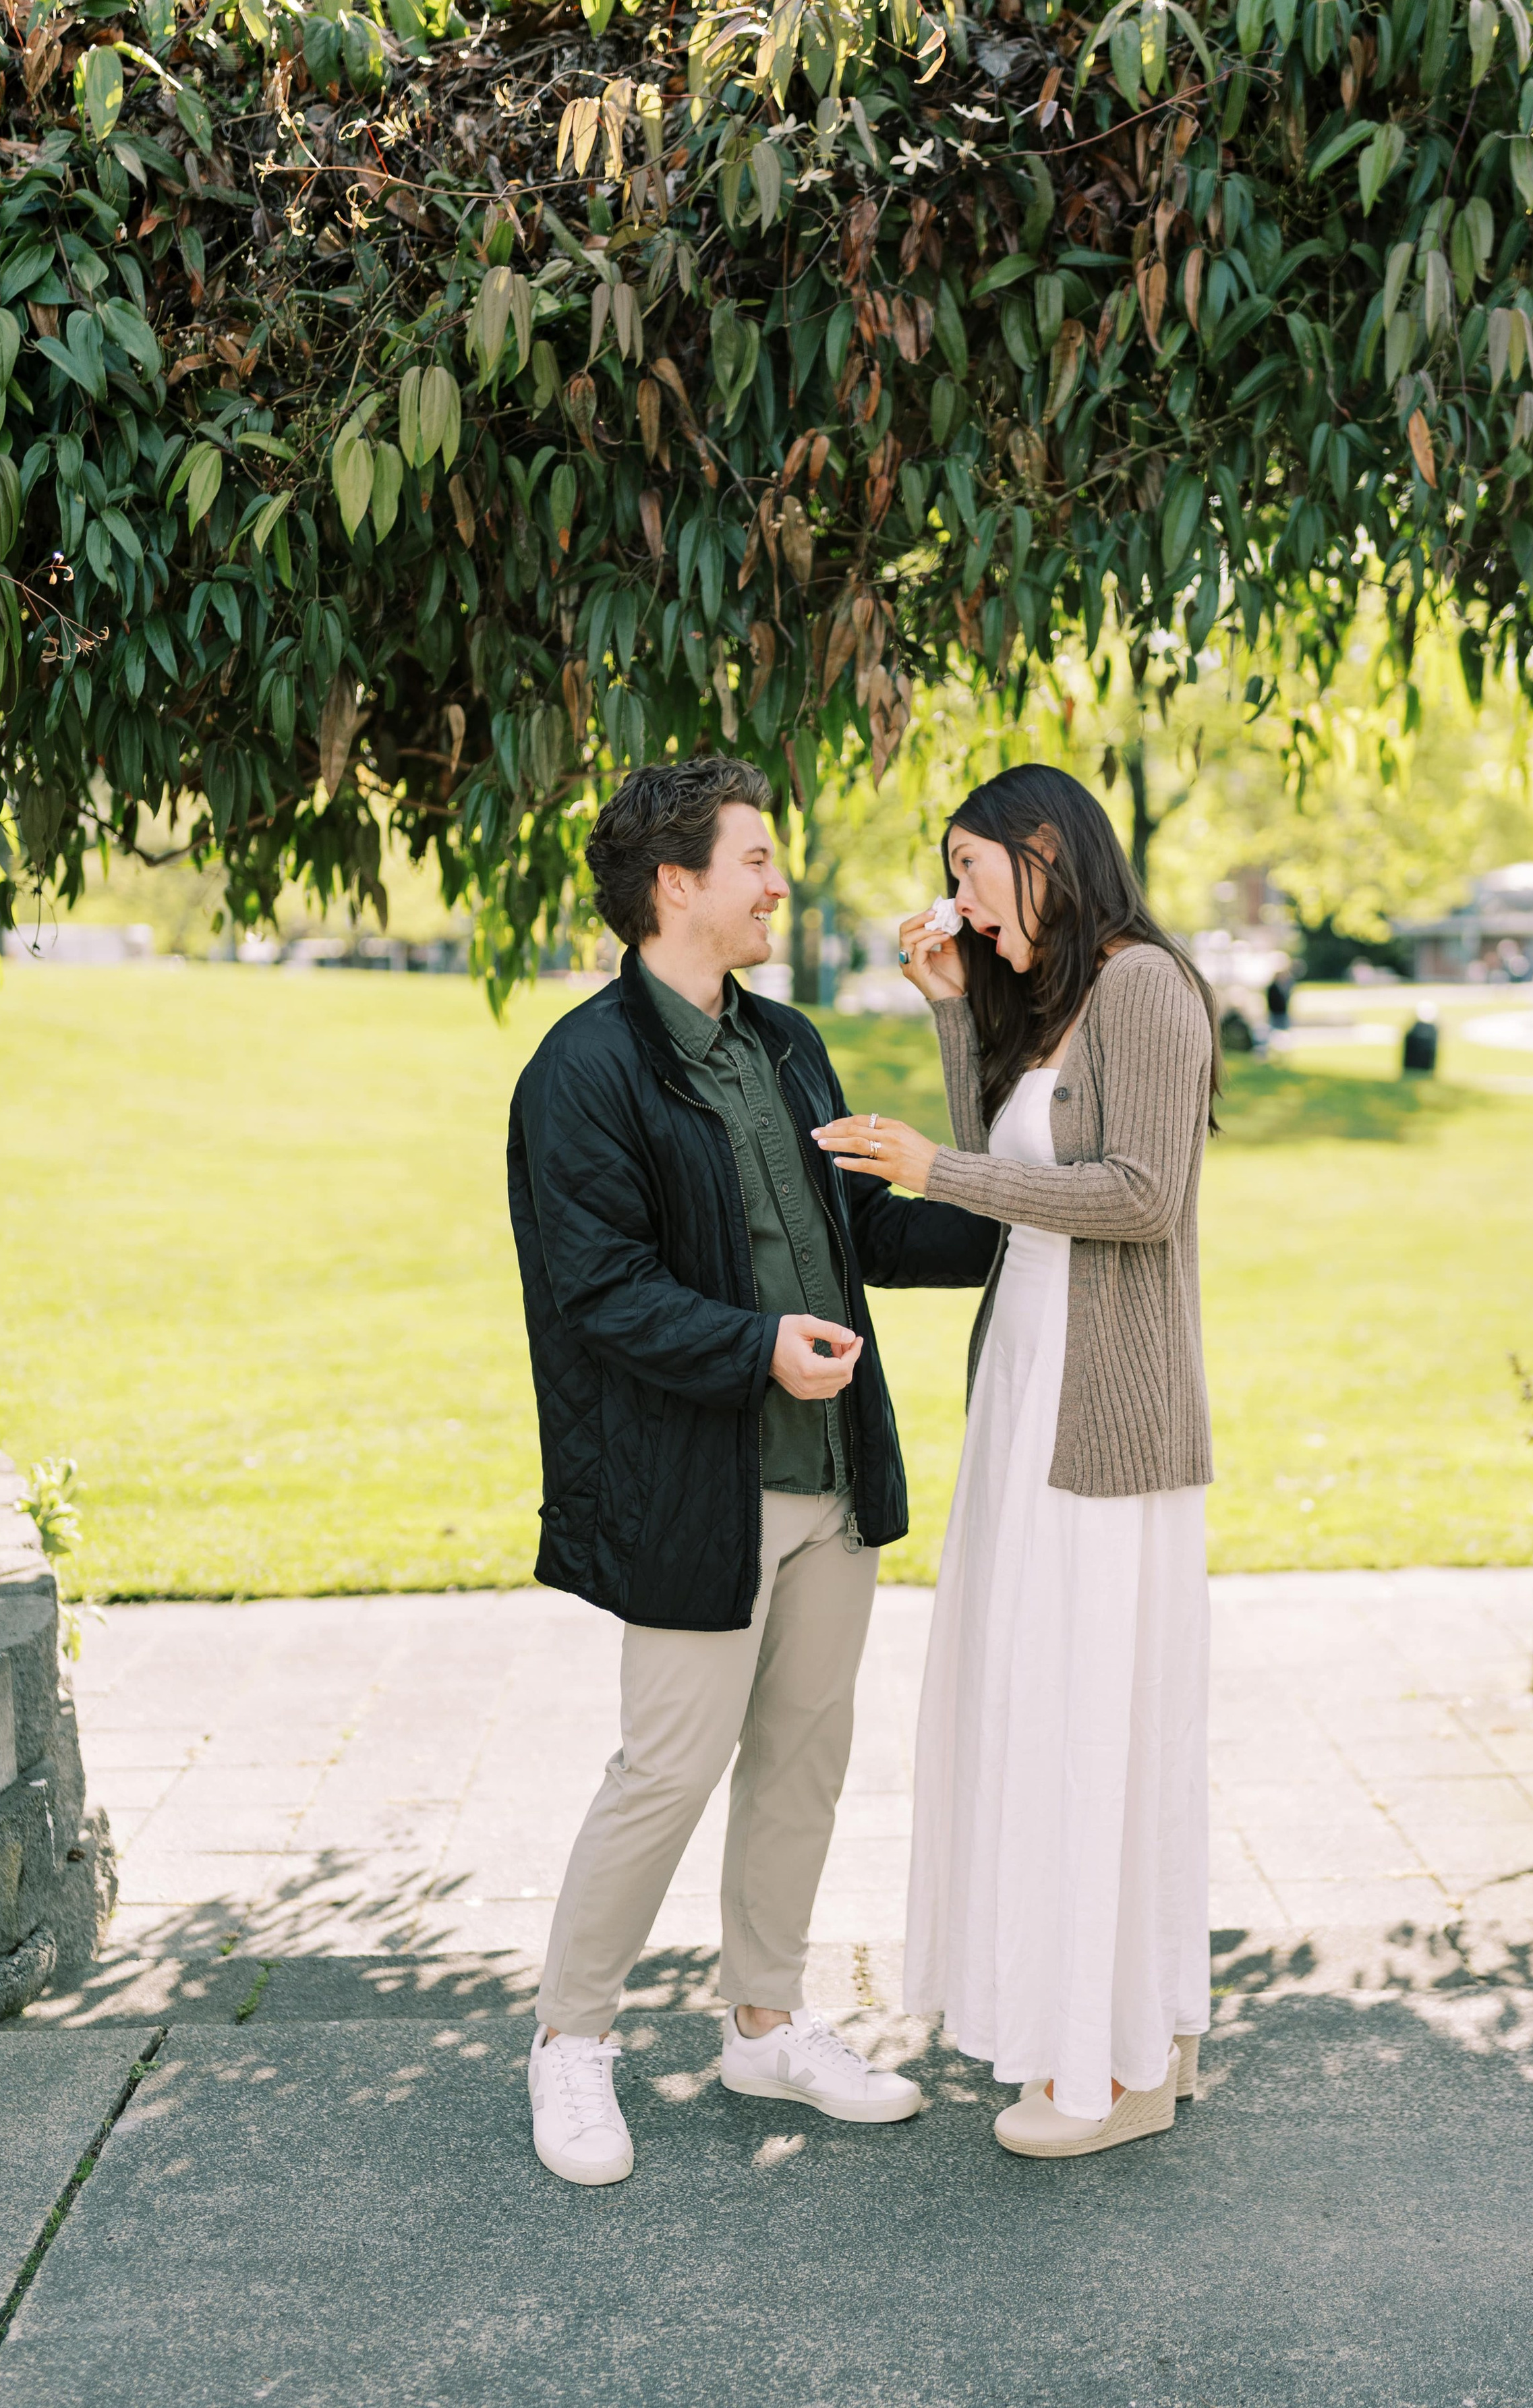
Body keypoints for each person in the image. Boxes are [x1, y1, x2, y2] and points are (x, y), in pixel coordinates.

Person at [507, 756, 1000, 2185]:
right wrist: (754, 1348)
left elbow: (856, 1228)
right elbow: (596, 1289)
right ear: (676, 884)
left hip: (829, 1478)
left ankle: (766, 2022)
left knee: (802, 1759)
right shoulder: (584, 1070)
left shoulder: (784, 1044)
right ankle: (570, 2040)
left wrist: (1007, 1206)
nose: (779, 883)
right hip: (696, 1488)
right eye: (756, 860)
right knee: (664, 1769)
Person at [813, 763, 1220, 2160]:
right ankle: (1104, 2043)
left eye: (968, 872)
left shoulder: (1147, 988)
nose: (960, 905)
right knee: (1038, 1704)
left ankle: (1114, 2064)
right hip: (1028, 1390)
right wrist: (946, 1013)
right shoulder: (1058, 998)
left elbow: (1141, 1196)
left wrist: (931, 1170)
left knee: (1090, 1719)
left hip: (1105, 1419)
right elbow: (1014, 1165)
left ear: (1040, 850)